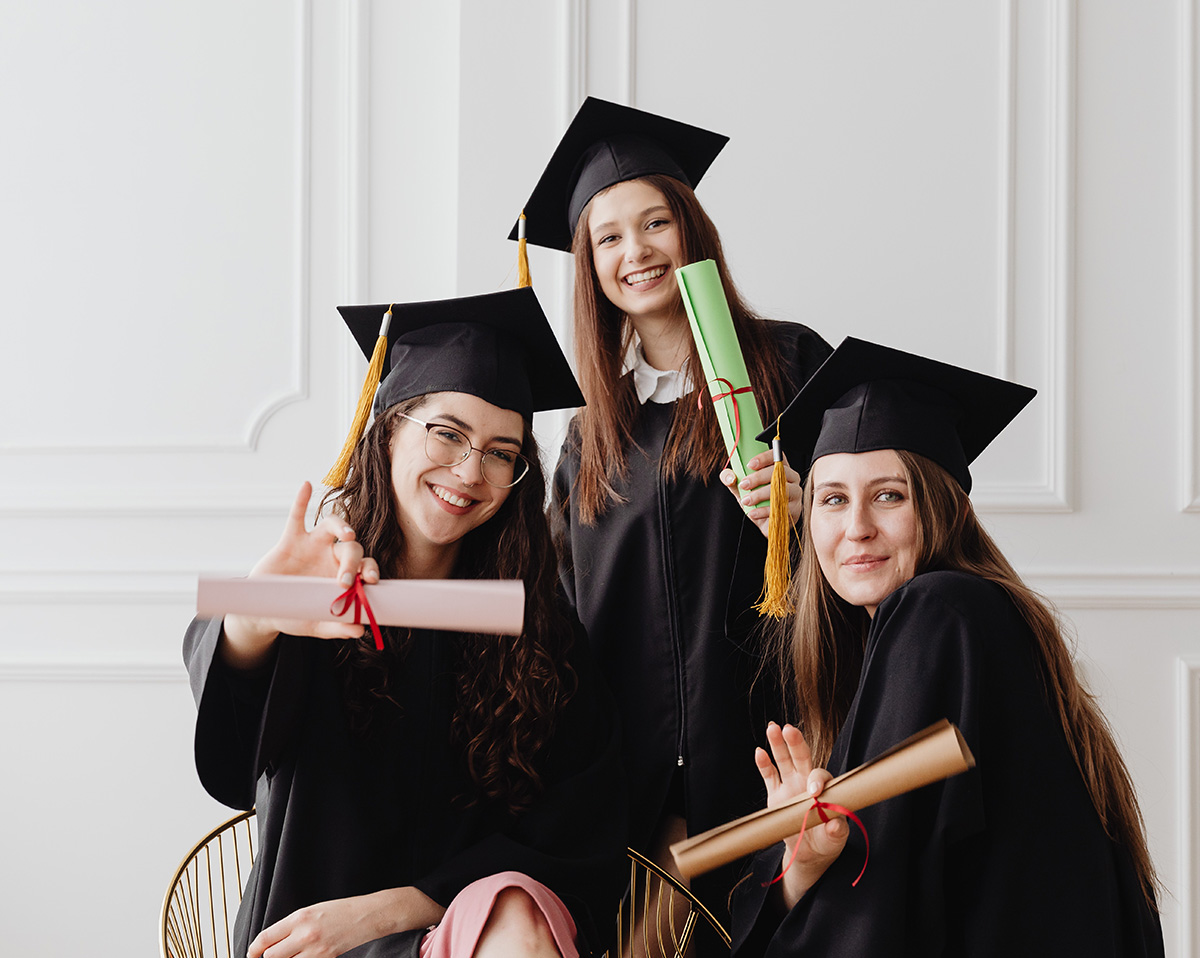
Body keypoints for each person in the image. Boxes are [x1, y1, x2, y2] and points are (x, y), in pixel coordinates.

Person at [183, 288, 628, 958]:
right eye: (447, 434)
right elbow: (229, 761)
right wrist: (257, 615)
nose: (470, 471)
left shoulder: (539, 634)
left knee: (510, 907)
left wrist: (391, 910)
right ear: (389, 426)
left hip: (472, 937)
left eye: (501, 452)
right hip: (312, 944)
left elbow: (579, 839)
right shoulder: (320, 590)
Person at [731, 337, 1165, 957]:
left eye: (889, 495)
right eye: (832, 499)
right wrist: (804, 863)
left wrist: (804, 877)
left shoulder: (939, 612)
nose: (856, 527)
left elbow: (877, 899)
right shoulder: (979, 617)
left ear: (941, 505)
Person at [511, 97, 832, 913]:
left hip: (782, 753)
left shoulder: (791, 367)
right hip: (638, 787)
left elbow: (880, 540)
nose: (636, 251)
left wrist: (810, 511)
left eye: (655, 222)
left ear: (693, 230)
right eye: (608, 237)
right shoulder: (592, 435)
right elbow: (567, 609)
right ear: (588, 266)